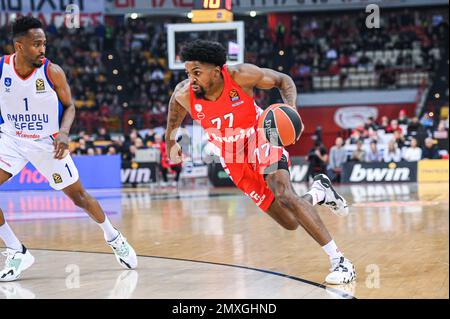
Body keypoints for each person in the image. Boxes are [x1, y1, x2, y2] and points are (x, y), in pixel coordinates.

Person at [165, 40, 356, 285]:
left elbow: (283, 80)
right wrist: (171, 142)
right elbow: (173, 114)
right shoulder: (185, 94)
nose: (191, 78)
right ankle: (319, 192)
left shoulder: (241, 75)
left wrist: (292, 110)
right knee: (290, 222)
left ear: (216, 70)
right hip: (232, 157)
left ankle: (340, 261)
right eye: (188, 73)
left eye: (197, 72)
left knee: (284, 193)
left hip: (261, 137)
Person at [0, 17, 137, 281]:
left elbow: (70, 106)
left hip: (47, 144)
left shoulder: (53, 72)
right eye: (36, 44)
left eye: (44, 44)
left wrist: (64, 133)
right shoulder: (2, 69)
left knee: (79, 197)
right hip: (12, 140)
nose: (42, 49)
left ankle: (114, 237)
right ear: (19, 46)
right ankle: (17, 250)